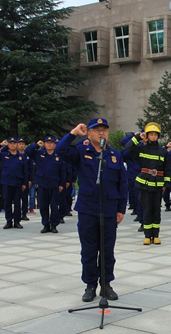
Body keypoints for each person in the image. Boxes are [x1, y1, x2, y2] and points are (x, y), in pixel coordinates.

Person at [56, 118, 127, 302]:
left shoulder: (115, 155)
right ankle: (90, 285)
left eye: (104, 130)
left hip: (110, 209)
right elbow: (60, 150)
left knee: (107, 250)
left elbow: (122, 184)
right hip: (88, 209)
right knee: (89, 250)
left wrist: (121, 209)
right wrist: (73, 133)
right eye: (97, 130)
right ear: (89, 133)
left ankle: (106, 284)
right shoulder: (81, 151)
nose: (101, 133)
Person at [125, 122, 170, 245]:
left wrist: (165, 184)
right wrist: (139, 137)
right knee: (146, 209)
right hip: (144, 184)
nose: (153, 136)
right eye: (151, 134)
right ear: (148, 135)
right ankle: (147, 235)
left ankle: (155, 235)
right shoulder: (141, 149)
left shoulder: (163, 151)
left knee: (156, 210)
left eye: (155, 134)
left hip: (157, 184)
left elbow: (167, 169)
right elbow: (128, 147)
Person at [25, 136, 66, 233]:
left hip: (54, 184)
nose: (49, 144)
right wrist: (36, 145)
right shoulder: (39, 154)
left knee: (54, 206)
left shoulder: (58, 156)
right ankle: (46, 224)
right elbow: (27, 151)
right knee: (43, 206)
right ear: (44, 144)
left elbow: (62, 171)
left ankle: (54, 225)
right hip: (42, 184)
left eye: (51, 142)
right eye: (47, 142)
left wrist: (61, 184)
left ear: (54, 144)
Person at [0, 138, 29, 229]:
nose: (12, 145)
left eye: (14, 143)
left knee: (17, 203)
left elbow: (25, 171)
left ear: (17, 145)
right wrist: (1, 145)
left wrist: (24, 183)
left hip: (17, 182)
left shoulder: (21, 157)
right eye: (11, 143)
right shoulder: (4, 155)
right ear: (8, 145)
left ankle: (17, 221)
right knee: (7, 202)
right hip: (7, 182)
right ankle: (9, 221)